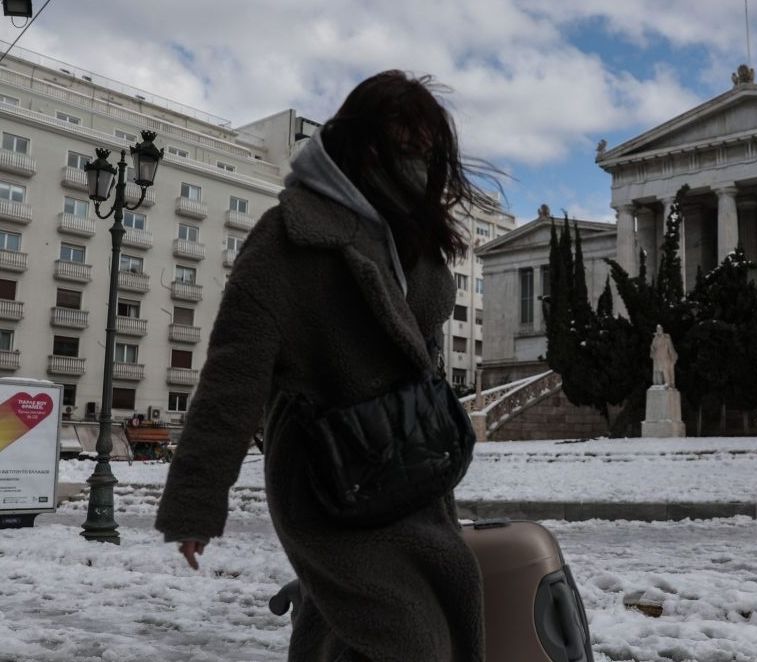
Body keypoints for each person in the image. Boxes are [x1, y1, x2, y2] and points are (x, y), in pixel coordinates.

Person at [154, 70, 499, 661]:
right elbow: (232, 378)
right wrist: (195, 504)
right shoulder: (290, 234)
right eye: (406, 148)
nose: (420, 164)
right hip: (330, 474)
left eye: (428, 151)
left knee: (427, 600)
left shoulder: (408, 231)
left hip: (409, 462)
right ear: (365, 146)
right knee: (407, 638)